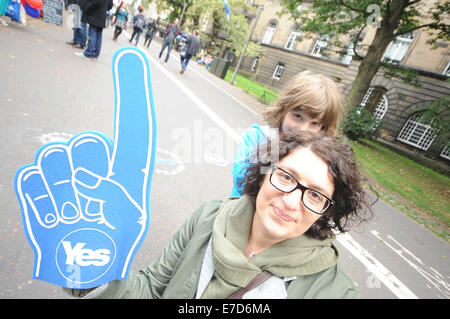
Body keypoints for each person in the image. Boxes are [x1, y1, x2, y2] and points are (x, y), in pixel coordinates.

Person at [65, 131, 372, 298]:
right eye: (287, 177)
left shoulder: (334, 291)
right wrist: (94, 274)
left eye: (315, 195)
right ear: (265, 174)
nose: (292, 201)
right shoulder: (209, 218)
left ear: (326, 213)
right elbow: (152, 288)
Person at [230, 70, 344, 197]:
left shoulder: (314, 156)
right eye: (298, 116)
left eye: (315, 123)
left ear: (323, 128)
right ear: (284, 110)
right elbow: (244, 183)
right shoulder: (261, 137)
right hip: (241, 209)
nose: (303, 129)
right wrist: (274, 150)